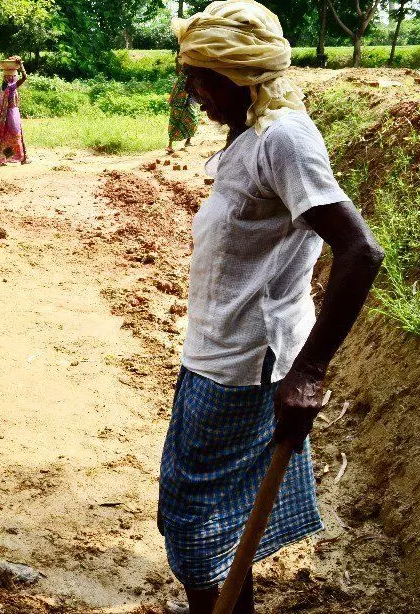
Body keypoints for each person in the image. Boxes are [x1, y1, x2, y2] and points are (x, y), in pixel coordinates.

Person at [158, 3, 385, 613]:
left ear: (239, 79)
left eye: (202, 78)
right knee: (213, 517)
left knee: (195, 518)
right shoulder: (250, 133)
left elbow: (359, 251)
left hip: (246, 364)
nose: (193, 91)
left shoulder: (284, 138)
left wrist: (308, 372)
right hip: (216, 352)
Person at [0, 57, 28, 166]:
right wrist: (21, 65)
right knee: (17, 136)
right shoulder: (11, 86)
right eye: (14, 76)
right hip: (12, 114)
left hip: (3, 117)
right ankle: (22, 158)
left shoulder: (3, 88)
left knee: (5, 137)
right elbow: (25, 77)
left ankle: (2, 159)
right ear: (12, 77)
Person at [167, 57, 198, 154]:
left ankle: (186, 142)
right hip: (181, 104)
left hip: (184, 103)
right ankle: (170, 145)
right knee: (179, 122)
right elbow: (179, 88)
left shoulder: (186, 77)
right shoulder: (184, 78)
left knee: (189, 120)